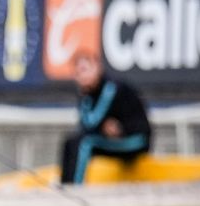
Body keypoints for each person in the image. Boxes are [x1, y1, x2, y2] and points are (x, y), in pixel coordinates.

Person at [60, 51, 152, 184]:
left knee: (85, 143)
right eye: (78, 73)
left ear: (97, 68)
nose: (82, 76)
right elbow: (87, 125)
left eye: (85, 70)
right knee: (70, 142)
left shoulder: (110, 88)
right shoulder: (88, 93)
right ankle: (65, 185)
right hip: (112, 140)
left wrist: (115, 128)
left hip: (136, 140)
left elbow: (91, 123)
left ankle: (75, 187)